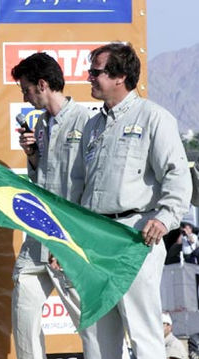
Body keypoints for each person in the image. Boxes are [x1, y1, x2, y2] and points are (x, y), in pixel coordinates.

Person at [80, 42, 192, 359]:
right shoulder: (93, 125)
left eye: (95, 72)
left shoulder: (154, 118)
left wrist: (164, 217)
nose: (89, 77)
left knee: (141, 328)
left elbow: (177, 175)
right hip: (96, 236)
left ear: (119, 77)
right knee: (95, 331)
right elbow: (80, 187)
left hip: (135, 234)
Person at [10, 52, 90, 359]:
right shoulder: (41, 125)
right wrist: (32, 156)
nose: (24, 97)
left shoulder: (85, 121)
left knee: (89, 322)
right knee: (23, 314)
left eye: (26, 89)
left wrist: (75, 237)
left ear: (42, 84)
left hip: (69, 239)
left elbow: (90, 186)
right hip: (37, 237)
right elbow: (40, 177)